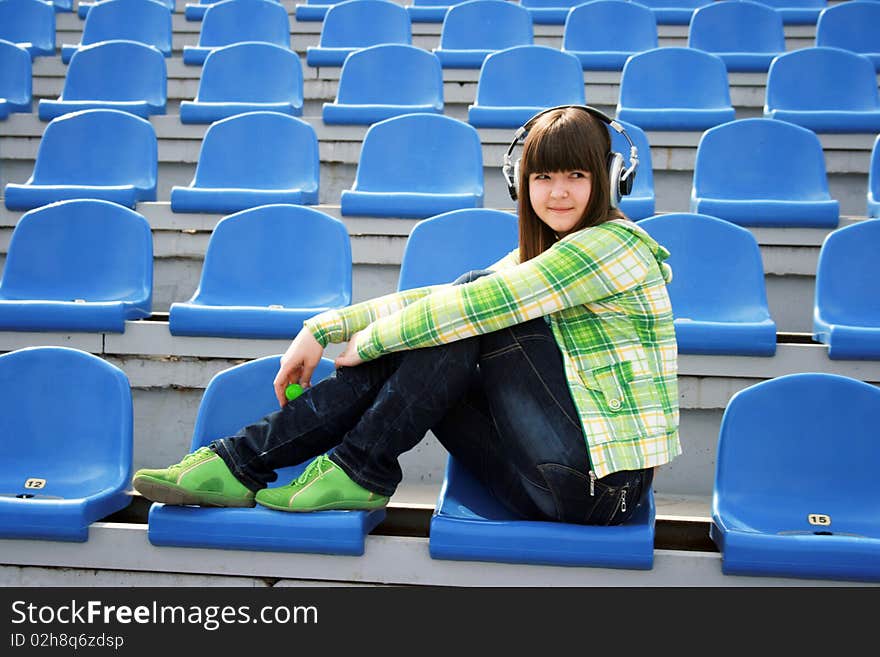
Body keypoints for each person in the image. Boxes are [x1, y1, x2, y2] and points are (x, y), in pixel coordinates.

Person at [133, 106, 680, 525]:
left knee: (465, 309)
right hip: (537, 479)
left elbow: (470, 303)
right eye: (542, 177)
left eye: (576, 177)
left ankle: (256, 461)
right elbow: (435, 300)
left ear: (607, 180)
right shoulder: (542, 258)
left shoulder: (616, 246)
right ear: (521, 184)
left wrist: (371, 344)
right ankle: (295, 466)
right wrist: (323, 327)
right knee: (451, 323)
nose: (557, 192)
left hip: (603, 491)